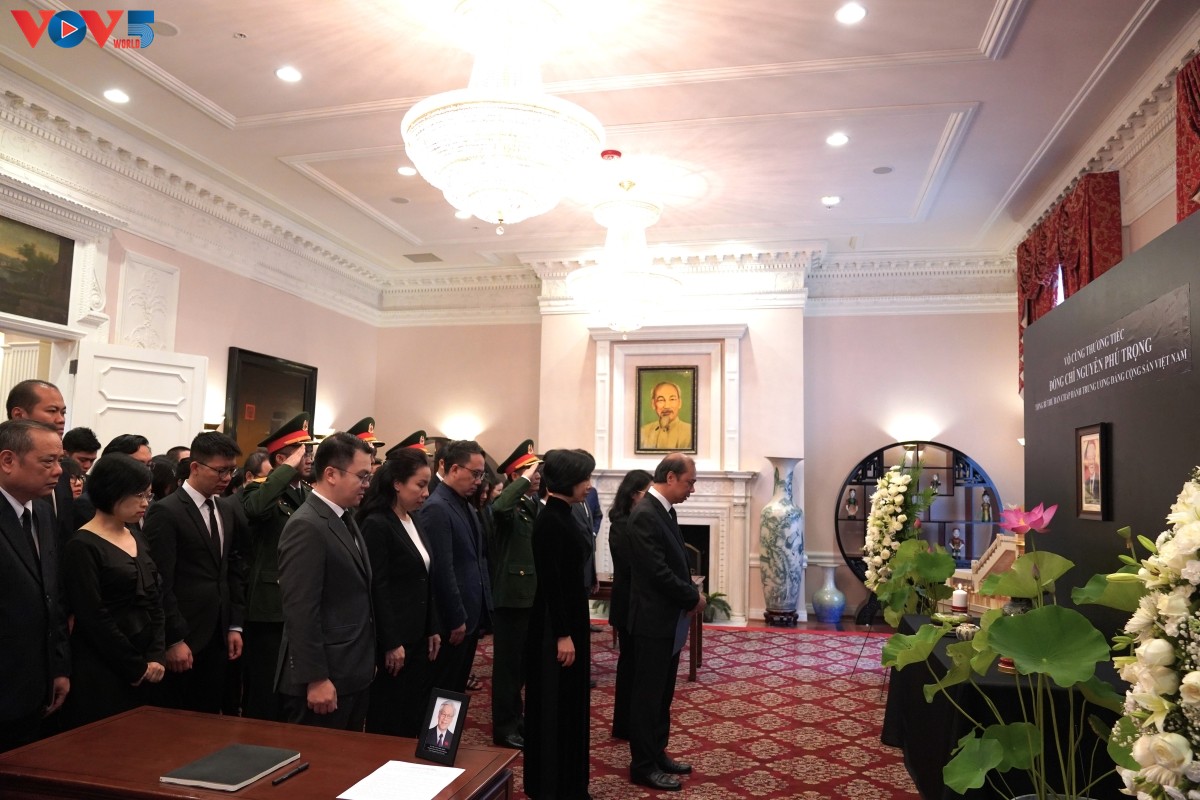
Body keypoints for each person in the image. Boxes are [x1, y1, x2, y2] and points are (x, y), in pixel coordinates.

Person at [277, 432, 376, 730]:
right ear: (331, 474)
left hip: (350, 669)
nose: (367, 484)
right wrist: (316, 678)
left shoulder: (345, 516)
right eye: (362, 476)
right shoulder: (307, 525)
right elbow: (300, 609)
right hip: (324, 677)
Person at [143, 431, 247, 714]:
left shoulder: (225, 508)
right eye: (220, 470)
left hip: (219, 634)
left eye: (232, 470)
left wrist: (235, 625)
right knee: (178, 722)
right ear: (195, 467)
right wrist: (173, 638)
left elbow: (232, 569)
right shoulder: (167, 511)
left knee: (212, 717)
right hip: (184, 635)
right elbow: (159, 581)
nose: (227, 478)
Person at [60, 454, 165, 728]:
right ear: (112, 492)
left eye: (148, 495)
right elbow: (93, 615)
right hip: (102, 666)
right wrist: (135, 666)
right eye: (138, 495)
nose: (145, 503)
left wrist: (156, 655)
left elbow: (155, 598)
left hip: (146, 661)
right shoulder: (82, 545)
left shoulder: (136, 535)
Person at [626, 453, 704, 792]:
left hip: (666, 620)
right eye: (689, 482)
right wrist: (692, 597)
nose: (692, 489)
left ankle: (657, 753)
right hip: (651, 621)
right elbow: (657, 571)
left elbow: (675, 563)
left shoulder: (664, 510)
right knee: (648, 697)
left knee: (662, 695)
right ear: (670, 478)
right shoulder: (645, 513)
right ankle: (643, 765)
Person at [523, 448, 596, 800]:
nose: (589, 485)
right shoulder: (550, 520)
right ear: (568, 479)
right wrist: (563, 634)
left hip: (570, 619)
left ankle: (571, 785)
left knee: (571, 705)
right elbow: (552, 583)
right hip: (555, 626)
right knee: (554, 708)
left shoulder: (565, 513)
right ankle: (553, 788)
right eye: (585, 478)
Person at [360, 447, 442, 737]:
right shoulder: (377, 523)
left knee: (413, 713)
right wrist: (391, 642)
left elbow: (425, 578)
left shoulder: (413, 519)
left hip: (418, 635)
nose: (426, 493)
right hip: (395, 639)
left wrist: (432, 626)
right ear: (397, 483)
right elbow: (377, 587)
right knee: (390, 715)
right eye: (420, 485)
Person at [0, 419, 70, 752]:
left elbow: (51, 595)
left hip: (34, 687)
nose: (59, 471)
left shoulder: (42, 512)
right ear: (8, 460)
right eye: (48, 461)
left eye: (60, 460)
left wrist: (57, 667)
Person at [240, 414, 314, 721]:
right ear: (282, 459)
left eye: (309, 452)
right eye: (302, 453)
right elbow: (255, 509)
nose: (309, 458)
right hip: (270, 606)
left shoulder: (307, 492)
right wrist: (284, 471)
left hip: (301, 600)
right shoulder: (259, 490)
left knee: (293, 688)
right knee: (265, 687)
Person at [422, 439, 493, 694]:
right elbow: (443, 569)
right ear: (454, 469)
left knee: (456, 690)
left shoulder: (465, 504)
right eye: (475, 474)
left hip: (471, 614)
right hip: (453, 620)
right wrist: (456, 617)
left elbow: (477, 559)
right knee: (444, 691)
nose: (478, 481)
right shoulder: (437, 507)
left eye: (481, 475)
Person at [488, 439, 542, 749]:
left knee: (521, 666)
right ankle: (504, 727)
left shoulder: (529, 504)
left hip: (527, 595)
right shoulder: (509, 503)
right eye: (529, 471)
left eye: (537, 470)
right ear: (514, 476)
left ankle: (517, 720)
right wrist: (522, 481)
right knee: (508, 669)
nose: (537, 475)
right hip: (510, 597)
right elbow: (499, 507)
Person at [608, 468, 652, 740]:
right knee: (630, 666)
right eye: (648, 492)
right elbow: (631, 565)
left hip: (636, 603)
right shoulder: (623, 524)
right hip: (629, 604)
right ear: (635, 494)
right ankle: (624, 724)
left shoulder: (636, 521)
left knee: (636, 665)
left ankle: (631, 723)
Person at [6, 380, 73, 543]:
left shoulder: (62, 473)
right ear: (18, 415)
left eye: (63, 412)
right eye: (52, 411)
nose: (61, 419)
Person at [638, 382, 693, 450]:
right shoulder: (643, 432)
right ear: (653, 404)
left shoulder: (691, 432)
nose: (667, 406)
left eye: (672, 399)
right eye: (661, 400)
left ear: (679, 403)